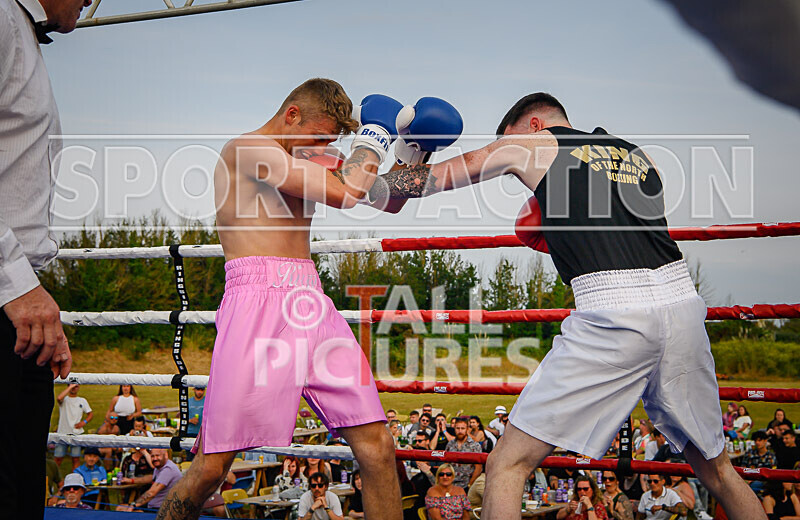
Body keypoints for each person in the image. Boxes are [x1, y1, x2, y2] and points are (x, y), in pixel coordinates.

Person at [369, 91, 768, 520]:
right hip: (682, 303)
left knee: (507, 465)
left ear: (533, 124)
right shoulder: (639, 156)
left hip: (614, 311)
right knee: (718, 471)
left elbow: (396, 191)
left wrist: (410, 149)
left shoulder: (527, 144)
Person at [157, 80, 411, 520]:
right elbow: (346, 193)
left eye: (330, 142)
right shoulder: (247, 151)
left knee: (378, 447)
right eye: (319, 137)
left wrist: (412, 153)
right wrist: (373, 140)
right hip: (257, 302)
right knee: (213, 467)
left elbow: (388, 201)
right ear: (292, 115)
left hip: (311, 300)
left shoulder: (308, 156)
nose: (323, 148)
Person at [0, 2, 89, 517]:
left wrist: (30, 296)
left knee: (22, 483)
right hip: (10, 292)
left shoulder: (22, 34)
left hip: (18, 300)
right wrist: (17, 287)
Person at [117, 448, 182, 511]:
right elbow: (151, 478)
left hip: (163, 509)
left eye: (157, 455)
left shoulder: (168, 469)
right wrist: (131, 480)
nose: (155, 458)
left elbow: (151, 493)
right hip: (153, 505)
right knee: (120, 508)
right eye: (152, 456)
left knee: (124, 510)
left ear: (166, 455)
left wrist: (133, 505)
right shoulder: (160, 467)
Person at [54, 383, 93, 469]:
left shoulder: (82, 400)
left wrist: (84, 422)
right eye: (72, 386)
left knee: (75, 459)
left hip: (76, 433)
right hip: (62, 433)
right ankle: (54, 476)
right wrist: (70, 387)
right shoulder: (65, 399)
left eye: (76, 386)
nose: (74, 388)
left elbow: (90, 414)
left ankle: (75, 476)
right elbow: (59, 398)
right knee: (58, 459)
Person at [446, 417, 483, 491]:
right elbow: (446, 464)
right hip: (450, 484)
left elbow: (478, 468)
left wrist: (470, 485)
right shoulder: (450, 444)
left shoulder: (475, 446)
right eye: (458, 428)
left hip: (467, 484)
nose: (460, 431)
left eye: (462, 428)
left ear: (467, 429)